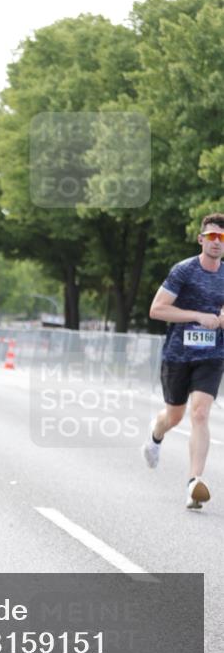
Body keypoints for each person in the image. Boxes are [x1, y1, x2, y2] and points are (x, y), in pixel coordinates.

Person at [142, 213, 224, 508]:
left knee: (200, 413)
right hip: (178, 354)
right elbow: (157, 309)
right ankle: (156, 433)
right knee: (174, 416)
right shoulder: (184, 270)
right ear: (201, 239)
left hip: (212, 356)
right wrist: (196, 315)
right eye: (212, 236)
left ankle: (194, 483)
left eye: (222, 238)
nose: (217, 242)